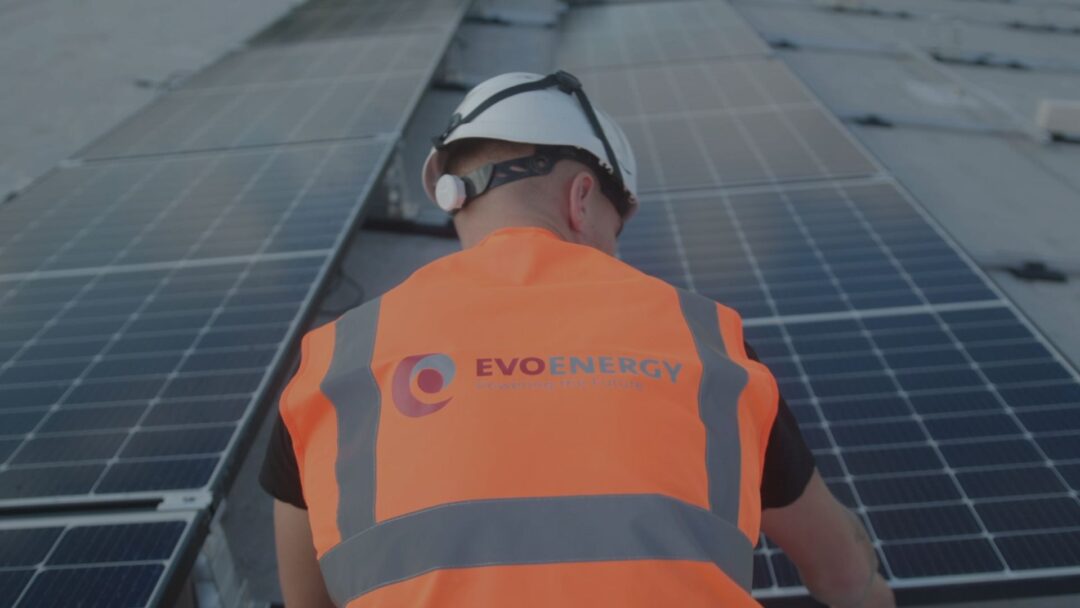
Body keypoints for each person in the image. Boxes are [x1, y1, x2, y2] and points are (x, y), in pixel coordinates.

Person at [260, 71, 895, 608]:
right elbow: (843, 572)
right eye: (618, 229)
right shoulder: (705, 344)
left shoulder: (333, 360)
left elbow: (306, 596)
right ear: (583, 198)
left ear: (456, 199)